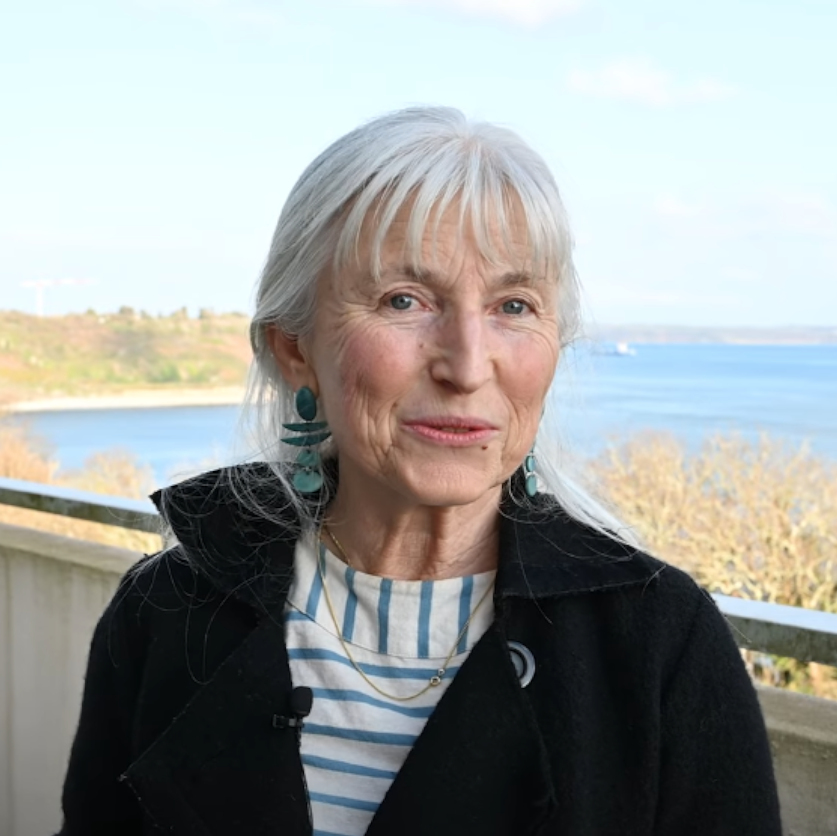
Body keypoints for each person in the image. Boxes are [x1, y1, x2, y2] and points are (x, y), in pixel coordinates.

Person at [55, 106, 782, 836]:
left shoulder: (657, 644)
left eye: (513, 305)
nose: (466, 365)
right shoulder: (166, 613)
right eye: (404, 300)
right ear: (294, 348)